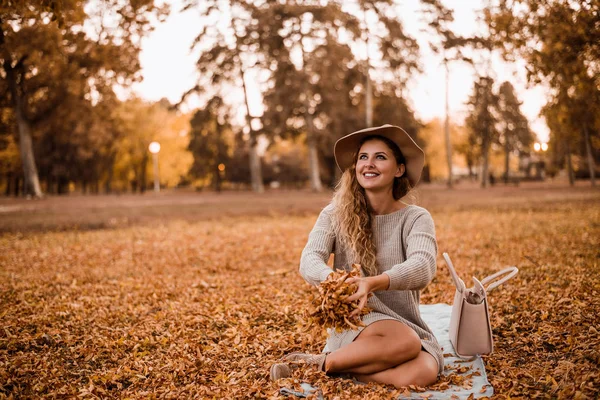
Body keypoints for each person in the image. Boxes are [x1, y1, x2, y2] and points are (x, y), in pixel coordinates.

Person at [270, 125, 442, 388]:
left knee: (424, 372)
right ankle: (316, 363)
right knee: (406, 343)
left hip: (405, 323)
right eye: (363, 157)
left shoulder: (416, 218)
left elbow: (423, 266)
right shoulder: (334, 214)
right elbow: (309, 260)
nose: (369, 164)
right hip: (355, 322)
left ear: (399, 169)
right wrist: (337, 281)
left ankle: (331, 366)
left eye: (380, 157)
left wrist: (373, 282)